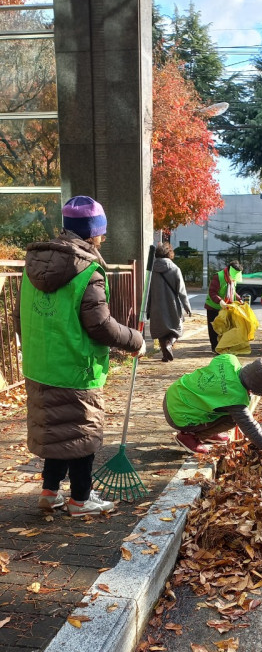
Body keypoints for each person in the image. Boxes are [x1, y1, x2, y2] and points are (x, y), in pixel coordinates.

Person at [14, 195, 145, 516]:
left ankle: (49, 492)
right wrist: (135, 340)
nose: (103, 235)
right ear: (93, 233)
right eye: (102, 229)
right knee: (81, 434)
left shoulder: (33, 268)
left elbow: (19, 317)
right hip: (75, 368)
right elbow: (99, 326)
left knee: (55, 430)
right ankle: (81, 499)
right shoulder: (88, 271)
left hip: (40, 366)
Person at [163, 353, 262, 458]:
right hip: (178, 415)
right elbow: (253, 431)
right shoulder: (236, 399)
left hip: (174, 393)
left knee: (221, 405)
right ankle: (190, 437)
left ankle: (208, 433)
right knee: (233, 419)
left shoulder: (229, 359)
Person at [147, 242, 191, 362]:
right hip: (172, 305)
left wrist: (148, 308)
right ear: (169, 254)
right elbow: (181, 290)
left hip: (156, 305)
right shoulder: (175, 269)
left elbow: (148, 290)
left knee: (161, 331)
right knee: (176, 329)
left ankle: (165, 356)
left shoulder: (152, 270)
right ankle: (169, 345)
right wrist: (187, 306)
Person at [204, 260, 243, 352]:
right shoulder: (218, 276)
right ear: (229, 270)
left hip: (226, 307)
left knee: (225, 328)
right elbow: (212, 292)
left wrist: (239, 299)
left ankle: (223, 346)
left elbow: (232, 291)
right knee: (214, 329)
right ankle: (215, 347)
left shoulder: (233, 278)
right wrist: (220, 301)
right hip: (213, 307)